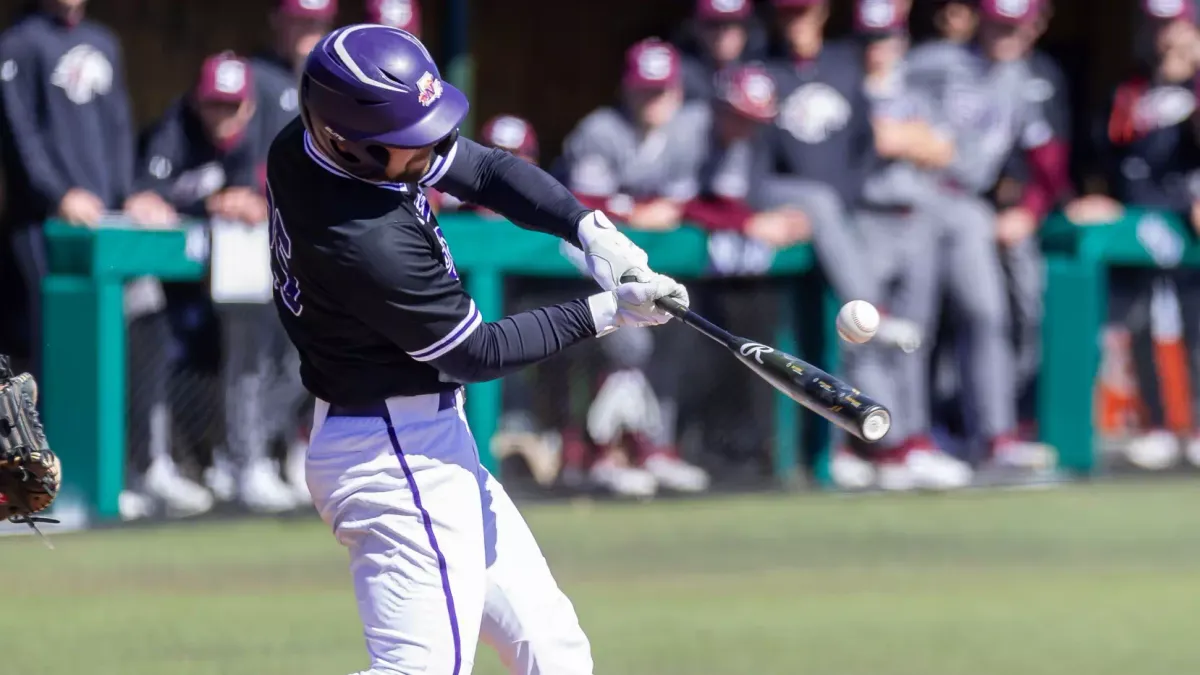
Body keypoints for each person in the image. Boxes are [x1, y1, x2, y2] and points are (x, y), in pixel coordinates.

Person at [272, 24, 688, 675]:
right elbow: (475, 352)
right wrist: (610, 311)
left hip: (421, 436)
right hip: (393, 454)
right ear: (347, 143)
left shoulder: (309, 142)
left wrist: (590, 230)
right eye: (411, 141)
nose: (433, 148)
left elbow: (486, 169)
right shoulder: (366, 238)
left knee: (553, 651)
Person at [906, 0, 1071, 473]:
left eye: (1015, 27)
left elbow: (1046, 157)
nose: (1007, 36)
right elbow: (880, 110)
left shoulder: (1023, 77)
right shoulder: (936, 61)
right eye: (999, 25)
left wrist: (1032, 209)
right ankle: (911, 439)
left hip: (969, 203)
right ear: (981, 21)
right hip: (915, 199)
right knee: (913, 324)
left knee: (987, 314)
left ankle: (995, 437)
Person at [135, 52, 301, 514]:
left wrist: (253, 203)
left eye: (233, 106)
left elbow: (271, 199)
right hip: (168, 278)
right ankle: (147, 466)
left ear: (248, 106)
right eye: (214, 105)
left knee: (277, 343)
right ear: (197, 100)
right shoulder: (175, 127)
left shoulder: (263, 132)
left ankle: (249, 457)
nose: (223, 117)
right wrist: (202, 201)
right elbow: (146, 193)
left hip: (234, 273)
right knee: (144, 326)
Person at [826, 0, 972, 490]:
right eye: (869, 40)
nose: (878, 50)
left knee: (913, 336)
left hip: (916, 219)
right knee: (862, 330)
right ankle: (862, 442)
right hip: (866, 219)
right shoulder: (845, 88)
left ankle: (910, 440)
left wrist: (905, 138)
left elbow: (944, 149)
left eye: (885, 39)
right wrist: (906, 138)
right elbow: (879, 141)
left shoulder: (915, 89)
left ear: (901, 41)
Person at [559, 38, 713, 497]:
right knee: (627, 340)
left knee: (671, 337)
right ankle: (604, 452)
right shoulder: (600, 130)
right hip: (574, 255)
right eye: (645, 90)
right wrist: (636, 210)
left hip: (643, 261)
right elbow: (582, 206)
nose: (653, 101)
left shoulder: (684, 136)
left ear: (678, 92)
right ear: (627, 89)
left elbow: (684, 205)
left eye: (662, 91)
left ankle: (651, 447)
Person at [0, 0, 170, 381]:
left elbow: (119, 125)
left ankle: (120, 441)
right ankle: (45, 439)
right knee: (56, 342)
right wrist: (58, 195)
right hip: (43, 224)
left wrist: (131, 192)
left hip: (107, 224)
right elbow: (17, 133)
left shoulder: (104, 42)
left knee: (126, 334)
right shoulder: (18, 43)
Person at [1066, 0, 1200, 469]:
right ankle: (1158, 423)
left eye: (1175, 25)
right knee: (1139, 324)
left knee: (1195, 325)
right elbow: (1105, 153)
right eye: (1159, 25)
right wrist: (1100, 197)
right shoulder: (1133, 87)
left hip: (1187, 220)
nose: (1166, 36)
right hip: (1137, 221)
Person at [253, 0, 338, 146]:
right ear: (276, 18)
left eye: (317, 22)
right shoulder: (254, 76)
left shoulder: (336, 80)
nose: (309, 29)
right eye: (299, 21)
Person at [679, 0, 761, 102]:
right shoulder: (682, 76)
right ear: (698, 28)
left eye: (732, 24)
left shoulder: (764, 75)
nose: (722, 34)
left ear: (747, 29)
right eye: (714, 25)